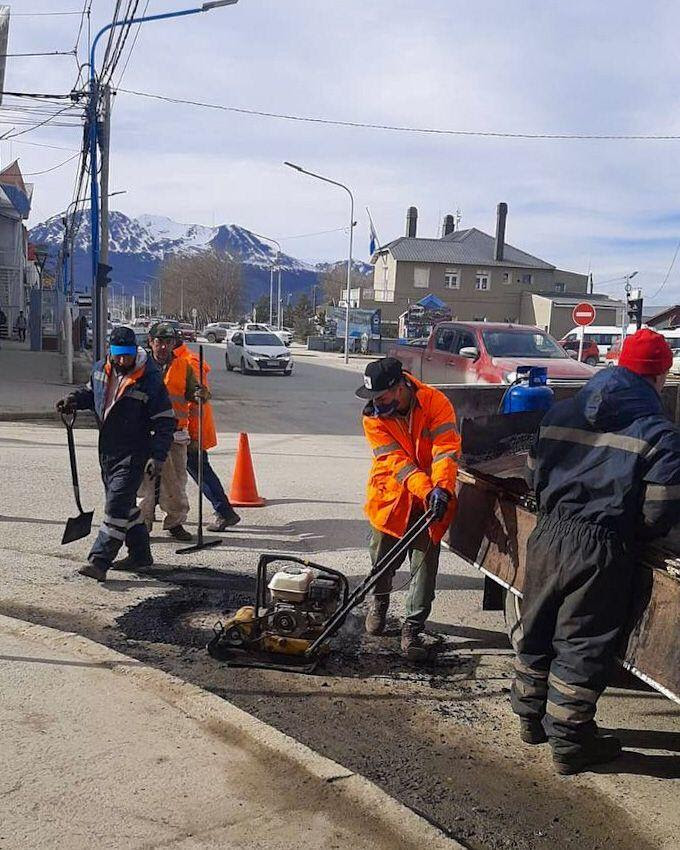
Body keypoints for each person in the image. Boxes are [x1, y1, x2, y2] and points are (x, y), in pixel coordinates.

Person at [512, 328, 680, 775]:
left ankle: (530, 719)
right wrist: (623, 535)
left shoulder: (561, 411)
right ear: (659, 377)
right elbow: (660, 513)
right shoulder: (659, 433)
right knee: (582, 643)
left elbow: (532, 475)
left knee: (538, 625)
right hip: (602, 548)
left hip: (547, 534)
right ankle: (570, 744)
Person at [356, 357, 460, 660]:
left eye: (382, 397)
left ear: (400, 386)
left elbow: (446, 449)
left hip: (430, 498)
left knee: (423, 569)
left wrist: (441, 488)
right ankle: (379, 604)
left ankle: (413, 629)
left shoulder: (436, 403)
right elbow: (396, 463)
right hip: (392, 497)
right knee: (381, 561)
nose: (377, 403)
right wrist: (428, 490)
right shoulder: (372, 418)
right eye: (373, 398)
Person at [56, 325, 175, 581]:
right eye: (118, 354)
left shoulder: (150, 379)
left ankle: (99, 561)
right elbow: (91, 393)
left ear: (135, 350)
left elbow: (165, 421)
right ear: (111, 351)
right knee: (124, 507)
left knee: (115, 507)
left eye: (127, 355)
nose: (123, 360)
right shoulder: (101, 368)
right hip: (107, 449)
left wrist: (158, 455)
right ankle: (141, 555)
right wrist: (74, 400)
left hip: (134, 452)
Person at [137, 322, 199, 542]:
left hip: (175, 433)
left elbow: (196, 394)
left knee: (175, 482)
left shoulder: (184, 366)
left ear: (174, 344)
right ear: (151, 342)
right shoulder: (140, 367)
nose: (163, 347)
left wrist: (200, 393)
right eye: (159, 341)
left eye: (168, 342)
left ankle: (175, 522)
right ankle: (141, 524)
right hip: (146, 433)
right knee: (145, 481)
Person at [173, 334, 241, 531]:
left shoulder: (189, 362)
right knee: (168, 471)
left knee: (200, 471)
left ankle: (224, 511)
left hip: (191, 429)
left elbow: (196, 401)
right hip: (181, 429)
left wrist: (192, 434)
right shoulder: (179, 359)